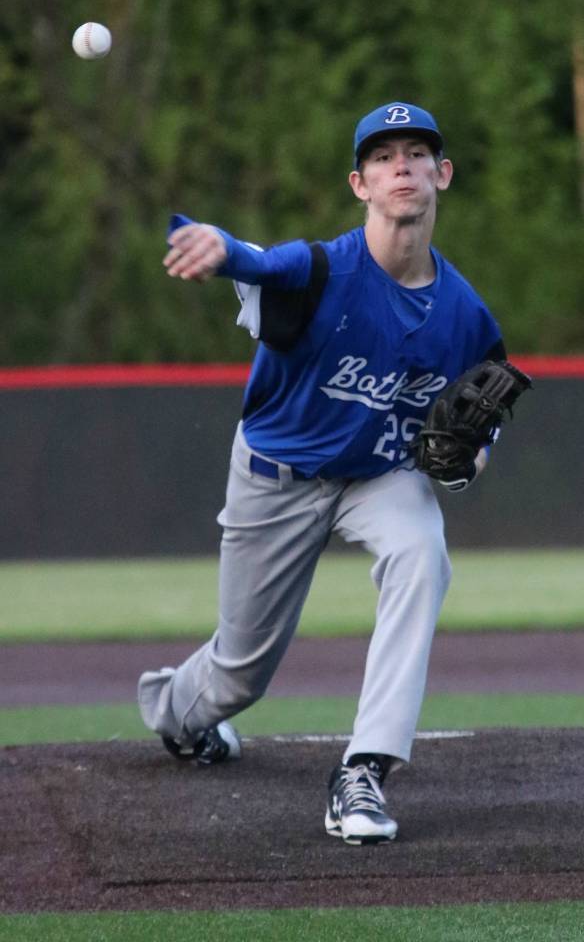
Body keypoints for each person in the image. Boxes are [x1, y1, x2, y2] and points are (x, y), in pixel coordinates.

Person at [138, 101, 506, 845]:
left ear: (443, 174)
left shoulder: (466, 316)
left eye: (415, 153)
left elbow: (484, 421)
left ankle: (364, 770)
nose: (400, 165)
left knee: (421, 554)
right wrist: (218, 245)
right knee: (240, 674)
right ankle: (177, 714)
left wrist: (474, 454)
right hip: (278, 477)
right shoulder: (320, 271)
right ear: (359, 183)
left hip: (377, 477)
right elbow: (259, 260)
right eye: (382, 157)